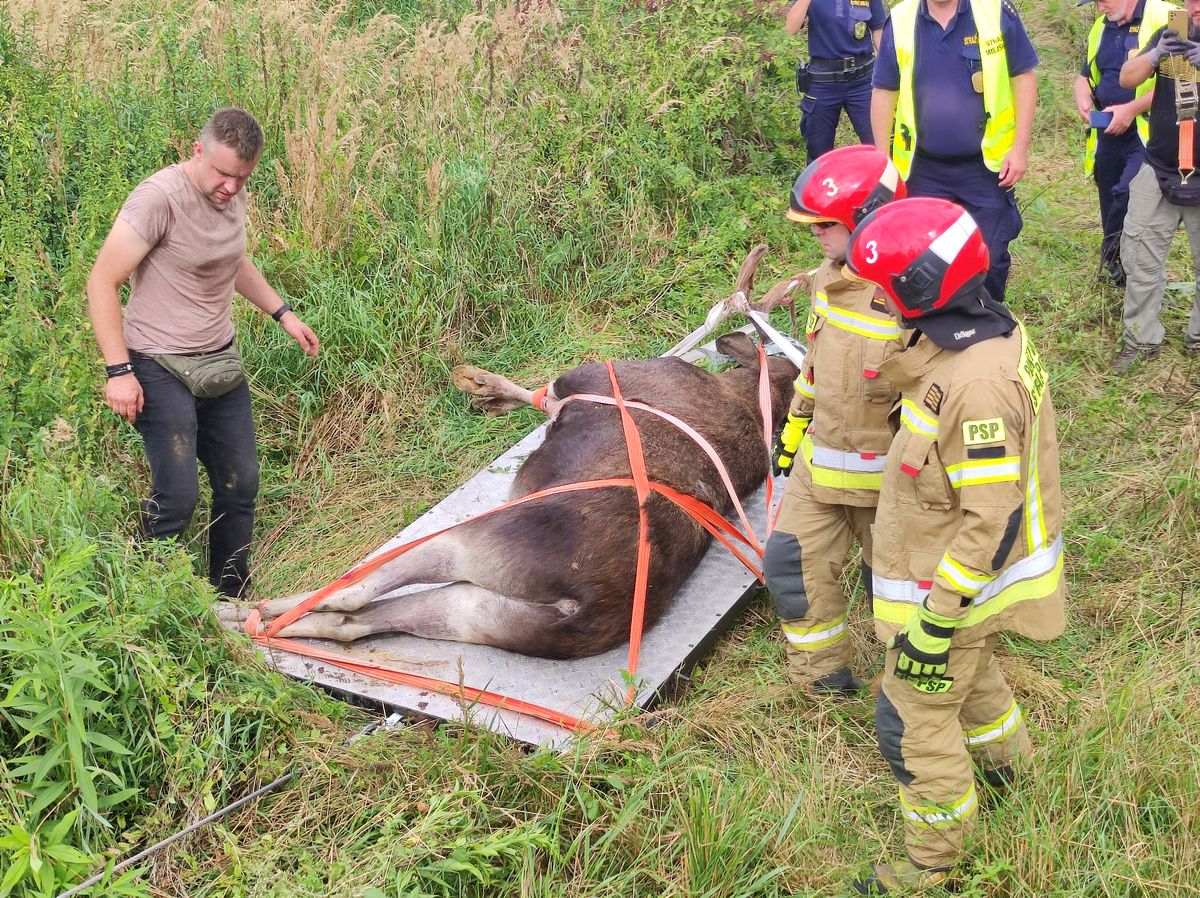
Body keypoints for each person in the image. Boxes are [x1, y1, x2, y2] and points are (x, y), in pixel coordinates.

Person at [841, 197, 1065, 894]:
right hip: (961, 584)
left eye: (885, 289)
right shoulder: (968, 336)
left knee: (909, 715)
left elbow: (990, 519)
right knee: (976, 683)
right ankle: (1010, 771)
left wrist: (935, 624)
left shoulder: (978, 387)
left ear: (918, 289)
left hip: (956, 587)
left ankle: (931, 861)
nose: (877, 299)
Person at [86, 108, 319, 597]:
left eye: (242, 177)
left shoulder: (232, 194)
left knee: (241, 483)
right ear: (198, 152)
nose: (232, 188)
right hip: (157, 361)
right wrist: (118, 371)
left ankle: (230, 596)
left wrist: (283, 314)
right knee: (177, 495)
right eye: (224, 173)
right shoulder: (158, 199)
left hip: (218, 360)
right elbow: (102, 282)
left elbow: (232, 261)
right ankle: (145, 601)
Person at [764, 145, 906, 697]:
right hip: (821, 463)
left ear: (868, 217)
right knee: (790, 566)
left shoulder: (910, 298)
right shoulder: (828, 279)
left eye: (827, 224)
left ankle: (914, 693)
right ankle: (824, 681)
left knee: (896, 597)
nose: (818, 235)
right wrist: (795, 426)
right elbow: (818, 368)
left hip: (891, 483)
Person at [870, 0, 1039, 302]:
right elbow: (884, 91)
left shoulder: (995, 11)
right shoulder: (901, 18)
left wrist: (1020, 147)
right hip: (923, 171)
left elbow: (1023, 77)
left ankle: (985, 332)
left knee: (991, 257)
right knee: (922, 259)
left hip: (987, 169)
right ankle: (932, 336)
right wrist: (884, 160)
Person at [1111, 1, 1200, 371]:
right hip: (1160, 167)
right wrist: (1156, 55)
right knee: (1138, 258)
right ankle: (1140, 338)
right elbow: (1127, 78)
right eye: (1190, 0)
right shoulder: (1174, 33)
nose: (1195, 7)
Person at [1076, 0, 1170, 287]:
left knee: (1127, 192)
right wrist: (1082, 96)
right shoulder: (1101, 25)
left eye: (1102, 0)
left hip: (1147, 130)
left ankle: (1128, 268)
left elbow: (1181, 82)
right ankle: (1115, 270)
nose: (1099, 7)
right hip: (1107, 130)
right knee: (1108, 194)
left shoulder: (1163, 16)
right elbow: (1085, 75)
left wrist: (1131, 110)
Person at [787, 0, 887, 164]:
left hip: (863, 80)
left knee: (879, 146)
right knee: (818, 153)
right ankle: (819, 188)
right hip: (823, 82)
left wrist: (889, 71)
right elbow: (791, 28)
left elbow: (878, 29)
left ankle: (884, 188)